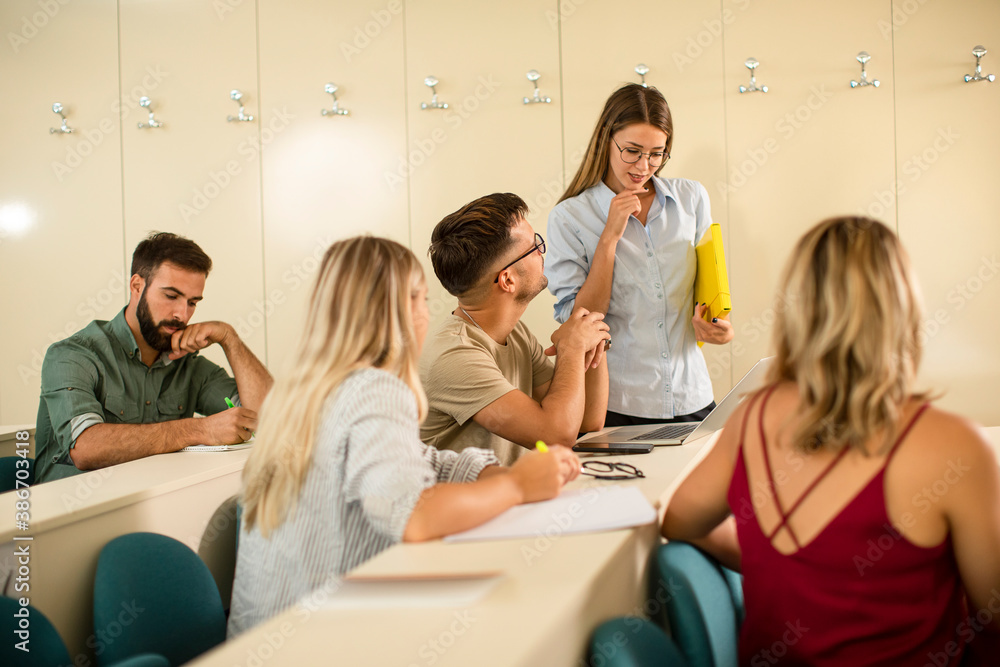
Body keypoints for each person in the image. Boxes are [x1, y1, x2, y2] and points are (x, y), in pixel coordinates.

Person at [662, 217, 1000, 665]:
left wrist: (781, 560)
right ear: (902, 308)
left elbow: (681, 522)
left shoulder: (751, 420)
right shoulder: (954, 445)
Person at [229, 236, 579, 636]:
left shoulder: (299, 391)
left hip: (268, 639)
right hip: (319, 641)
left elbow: (421, 460)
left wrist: (509, 476)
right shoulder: (372, 389)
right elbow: (412, 514)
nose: (426, 315)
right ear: (394, 312)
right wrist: (518, 484)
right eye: (418, 299)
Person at [546, 83, 733, 428]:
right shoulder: (570, 217)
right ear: (606, 139)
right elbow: (581, 322)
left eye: (657, 153)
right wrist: (610, 237)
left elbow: (706, 289)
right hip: (618, 403)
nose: (644, 166)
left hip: (692, 395)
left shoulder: (691, 198)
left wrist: (716, 326)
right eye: (632, 151)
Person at [34, 232, 272, 482]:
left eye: (192, 302)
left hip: (158, 501)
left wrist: (229, 339)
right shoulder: (73, 355)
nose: (182, 314)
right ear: (137, 286)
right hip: (71, 512)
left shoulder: (191, 366)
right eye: (171, 296)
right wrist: (201, 429)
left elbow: (270, 419)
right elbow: (85, 448)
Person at [421, 193, 610, 465]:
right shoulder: (455, 356)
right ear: (507, 280)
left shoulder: (515, 333)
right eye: (534, 247)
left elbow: (588, 419)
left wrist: (592, 333)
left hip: (512, 500)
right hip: (471, 506)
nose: (543, 253)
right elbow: (556, 435)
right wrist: (572, 348)